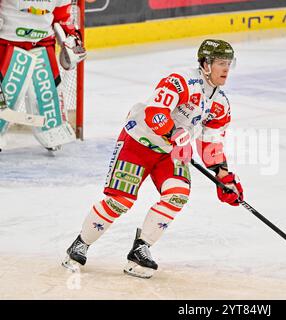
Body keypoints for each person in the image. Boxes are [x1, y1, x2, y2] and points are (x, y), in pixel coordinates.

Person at [62, 39, 244, 279]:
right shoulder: (180, 82)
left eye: (229, 64)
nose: (226, 70)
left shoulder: (220, 104)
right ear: (205, 64)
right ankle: (80, 243)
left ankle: (141, 248)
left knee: (177, 194)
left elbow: (211, 141)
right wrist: (173, 132)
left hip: (170, 153)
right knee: (120, 201)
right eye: (221, 63)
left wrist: (223, 174)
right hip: (138, 143)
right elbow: (154, 113)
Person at [0, 0, 86, 151]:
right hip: (7, 40)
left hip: (43, 41)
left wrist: (71, 38)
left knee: (48, 94)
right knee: (8, 90)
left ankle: (51, 130)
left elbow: (62, 13)